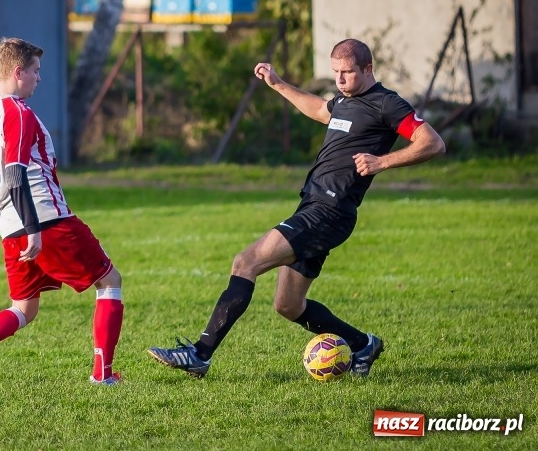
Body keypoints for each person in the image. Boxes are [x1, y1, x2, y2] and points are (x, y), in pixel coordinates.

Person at [148, 38, 446, 378]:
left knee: (245, 263)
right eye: (335, 72)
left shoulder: (386, 104)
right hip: (314, 207)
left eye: (348, 72)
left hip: (328, 213)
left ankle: (199, 354)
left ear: (368, 69)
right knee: (288, 305)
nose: (340, 79)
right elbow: (320, 110)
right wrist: (278, 85)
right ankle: (363, 344)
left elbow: (432, 142)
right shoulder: (345, 101)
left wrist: (383, 161)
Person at [0, 37, 124, 387]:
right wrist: (33, 225)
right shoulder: (18, 112)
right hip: (45, 221)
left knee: (23, 309)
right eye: (35, 71)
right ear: (18, 72)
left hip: (9, 229)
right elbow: (15, 171)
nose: (39, 78)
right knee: (110, 282)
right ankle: (103, 375)